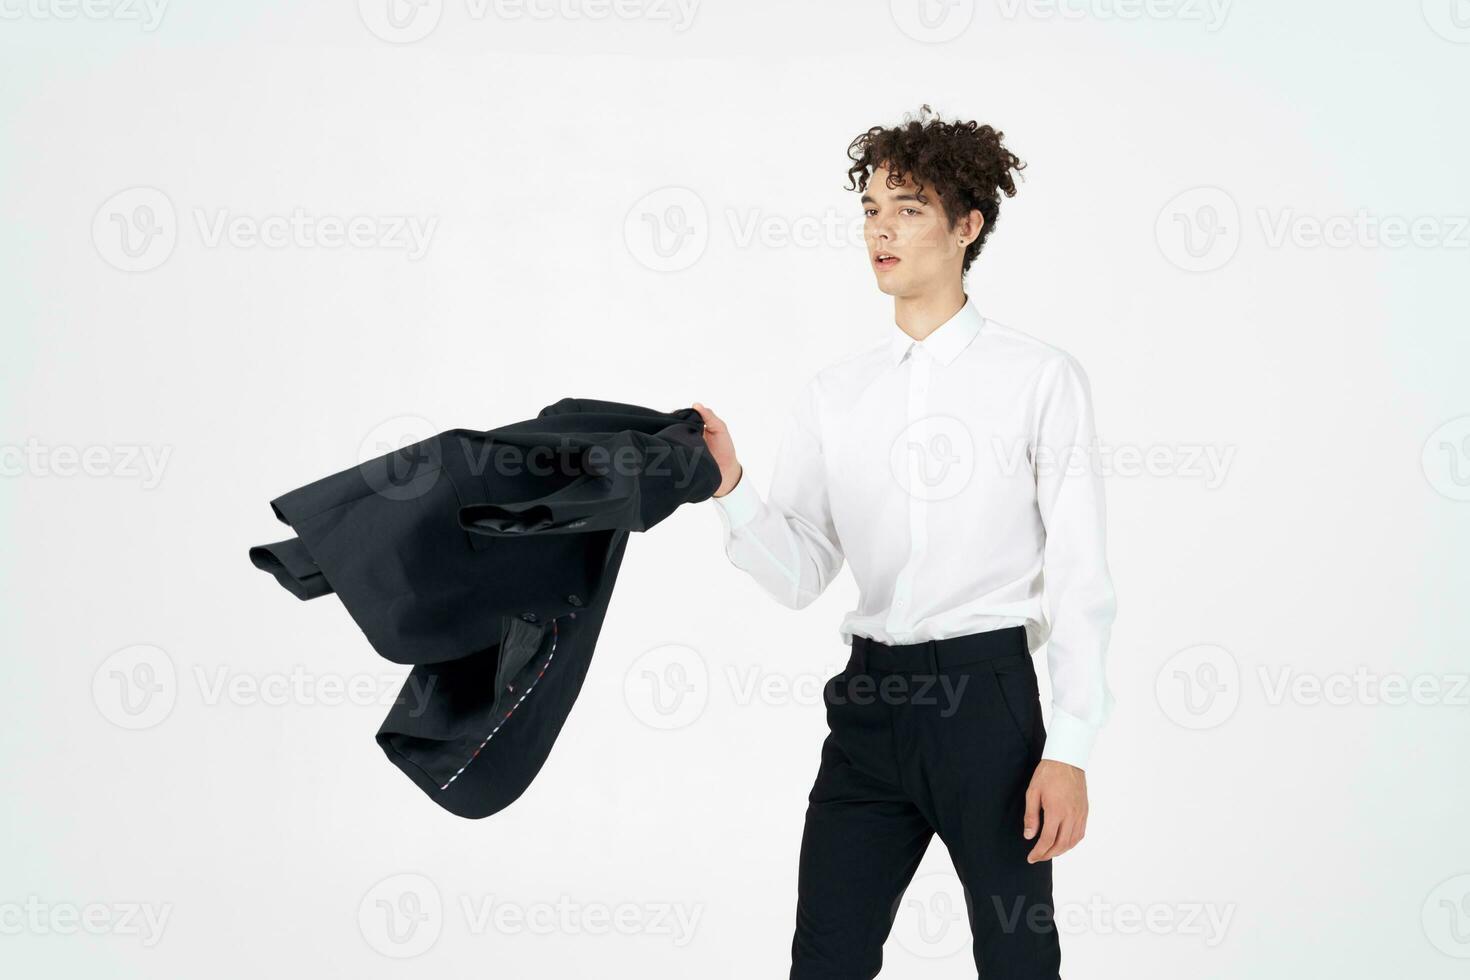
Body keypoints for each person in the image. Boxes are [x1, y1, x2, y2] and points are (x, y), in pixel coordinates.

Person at [693, 105, 1118, 979]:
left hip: (988, 711)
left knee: (1017, 960)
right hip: (868, 711)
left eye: (910, 207)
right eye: (871, 209)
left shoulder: (1039, 379)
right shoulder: (834, 394)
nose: (880, 229)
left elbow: (1081, 575)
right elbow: (803, 570)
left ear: (969, 226)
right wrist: (732, 488)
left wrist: (1068, 748)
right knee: (827, 959)